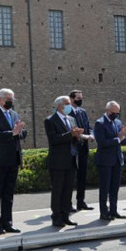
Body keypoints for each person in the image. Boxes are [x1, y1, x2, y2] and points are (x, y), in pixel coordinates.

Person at [0, 88, 26, 233]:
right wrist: (12, 133)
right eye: (9, 99)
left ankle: (7, 222)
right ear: (1, 99)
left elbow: (21, 133)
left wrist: (20, 132)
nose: (11, 102)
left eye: (12, 99)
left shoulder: (14, 114)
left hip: (13, 158)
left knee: (8, 193)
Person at [45, 96, 80, 227]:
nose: (69, 106)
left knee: (68, 190)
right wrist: (70, 134)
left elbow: (75, 139)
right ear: (59, 106)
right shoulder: (50, 120)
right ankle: (56, 217)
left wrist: (78, 136)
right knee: (58, 190)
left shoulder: (71, 119)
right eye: (67, 104)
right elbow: (53, 139)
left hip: (71, 159)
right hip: (58, 161)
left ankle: (66, 216)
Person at [93, 100, 126, 221]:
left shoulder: (118, 122)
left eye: (117, 113)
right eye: (113, 112)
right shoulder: (100, 123)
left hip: (117, 160)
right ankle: (104, 212)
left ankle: (114, 211)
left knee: (115, 188)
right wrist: (118, 139)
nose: (116, 115)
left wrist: (123, 137)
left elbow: (123, 140)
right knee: (105, 188)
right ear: (107, 111)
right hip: (105, 161)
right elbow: (102, 142)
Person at [67, 89, 95, 211]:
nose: (80, 100)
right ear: (72, 99)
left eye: (81, 98)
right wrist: (84, 136)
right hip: (72, 148)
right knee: (70, 176)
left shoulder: (82, 112)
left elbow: (88, 126)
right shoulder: (67, 112)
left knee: (82, 175)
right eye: (78, 98)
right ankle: (67, 203)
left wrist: (92, 134)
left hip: (83, 147)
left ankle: (80, 201)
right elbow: (71, 130)